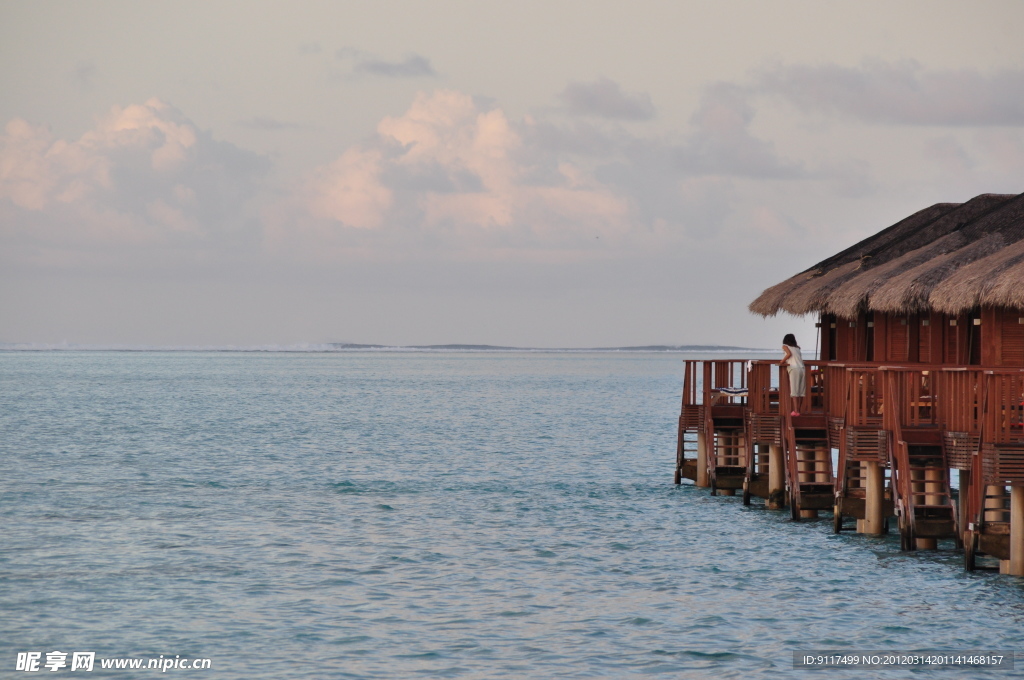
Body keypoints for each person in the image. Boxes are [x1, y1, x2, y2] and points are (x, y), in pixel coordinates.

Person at [780, 333, 805, 416]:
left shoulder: (785, 346)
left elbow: (788, 354)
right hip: (802, 368)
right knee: (801, 391)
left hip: (794, 368)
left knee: (794, 391)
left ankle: (795, 411)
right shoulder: (797, 348)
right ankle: (799, 410)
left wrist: (782, 362)